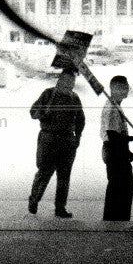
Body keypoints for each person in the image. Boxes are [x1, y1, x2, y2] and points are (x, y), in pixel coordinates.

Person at [28, 67, 85, 218]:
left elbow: (81, 119)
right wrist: (43, 113)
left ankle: (60, 208)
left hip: (67, 141)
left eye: (72, 81)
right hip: (48, 139)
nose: (70, 84)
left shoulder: (74, 98)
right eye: (67, 81)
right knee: (44, 172)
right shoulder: (48, 94)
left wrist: (77, 138)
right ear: (60, 81)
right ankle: (34, 199)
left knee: (64, 177)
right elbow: (33, 112)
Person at [101, 74, 133, 221]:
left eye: (127, 87)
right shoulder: (112, 108)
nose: (127, 90)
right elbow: (113, 136)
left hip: (118, 151)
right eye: (125, 87)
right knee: (121, 186)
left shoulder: (116, 106)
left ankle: (116, 219)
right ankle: (116, 220)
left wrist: (127, 151)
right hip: (114, 152)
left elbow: (117, 135)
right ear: (116, 89)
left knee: (121, 186)